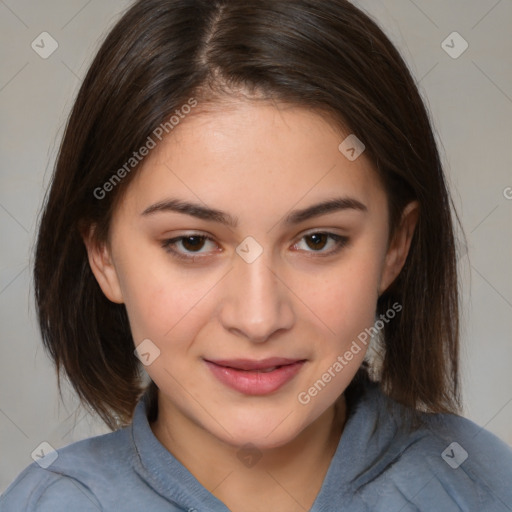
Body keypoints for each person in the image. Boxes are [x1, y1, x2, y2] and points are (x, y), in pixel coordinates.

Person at [1, 0, 511, 510]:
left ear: (395, 246)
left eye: (317, 240)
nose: (258, 318)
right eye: (193, 242)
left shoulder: (479, 486)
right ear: (103, 255)